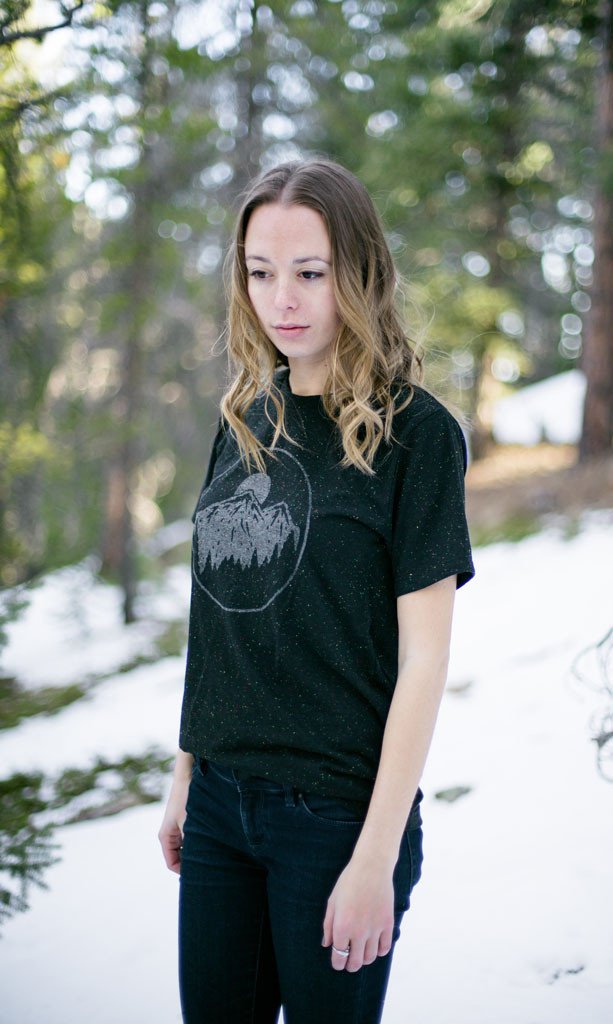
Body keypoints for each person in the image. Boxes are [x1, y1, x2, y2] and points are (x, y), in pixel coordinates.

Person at [158, 158, 475, 1024]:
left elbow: (424, 663)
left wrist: (376, 856)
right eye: (260, 273)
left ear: (358, 273)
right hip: (222, 805)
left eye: (310, 272)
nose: (281, 299)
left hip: (334, 819)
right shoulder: (242, 420)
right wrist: (187, 771)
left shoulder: (418, 435)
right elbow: (217, 614)